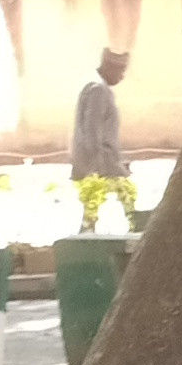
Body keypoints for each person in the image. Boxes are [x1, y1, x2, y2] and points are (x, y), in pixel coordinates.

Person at [71, 44, 138, 227]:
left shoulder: (97, 88)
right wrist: (97, 165)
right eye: (120, 71)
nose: (122, 76)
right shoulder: (98, 90)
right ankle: (135, 230)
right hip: (101, 161)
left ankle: (88, 231)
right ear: (110, 68)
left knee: (95, 206)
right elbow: (92, 130)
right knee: (127, 197)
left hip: (104, 160)